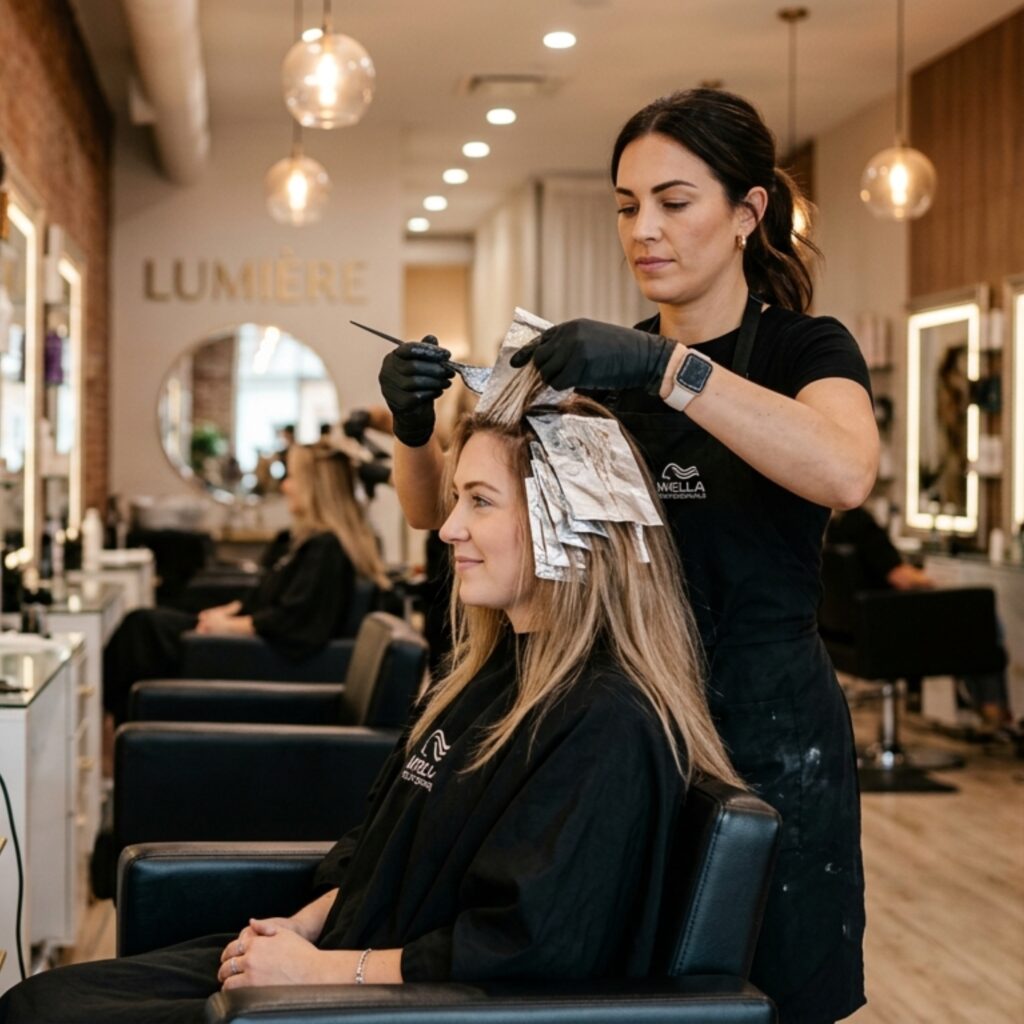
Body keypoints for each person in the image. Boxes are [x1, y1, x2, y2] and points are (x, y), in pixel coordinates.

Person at [0, 380, 741, 1023]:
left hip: (388, 1007)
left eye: (479, 502)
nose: (448, 528)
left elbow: (527, 948)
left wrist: (317, 974)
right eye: (457, 500)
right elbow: (379, 848)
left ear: (570, 529)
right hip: (341, 962)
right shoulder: (494, 674)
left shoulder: (605, 722)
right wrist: (297, 928)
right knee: (37, 1002)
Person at [379, 88, 878, 1024]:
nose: (643, 228)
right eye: (625, 204)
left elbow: (845, 470)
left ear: (748, 211)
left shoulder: (801, 348)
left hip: (763, 731)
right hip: (621, 739)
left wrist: (668, 371)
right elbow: (434, 517)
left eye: (674, 201)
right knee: (632, 993)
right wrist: (414, 427)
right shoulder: (601, 365)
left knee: (770, 994)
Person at [101, 444, 390, 726]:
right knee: (143, 624)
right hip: (253, 641)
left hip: (259, 653)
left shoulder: (326, 549)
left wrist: (229, 626)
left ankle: (119, 729)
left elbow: (296, 621)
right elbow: (267, 598)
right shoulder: (310, 543)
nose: (285, 486)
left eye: (292, 478)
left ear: (315, 487)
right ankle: (122, 725)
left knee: (140, 629)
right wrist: (224, 613)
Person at [827, 506, 1016, 735]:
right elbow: (900, 577)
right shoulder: (861, 523)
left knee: (972, 617)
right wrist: (933, 581)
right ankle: (992, 710)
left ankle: (983, 710)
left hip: (859, 634)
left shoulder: (834, 528)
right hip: (891, 633)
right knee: (981, 618)